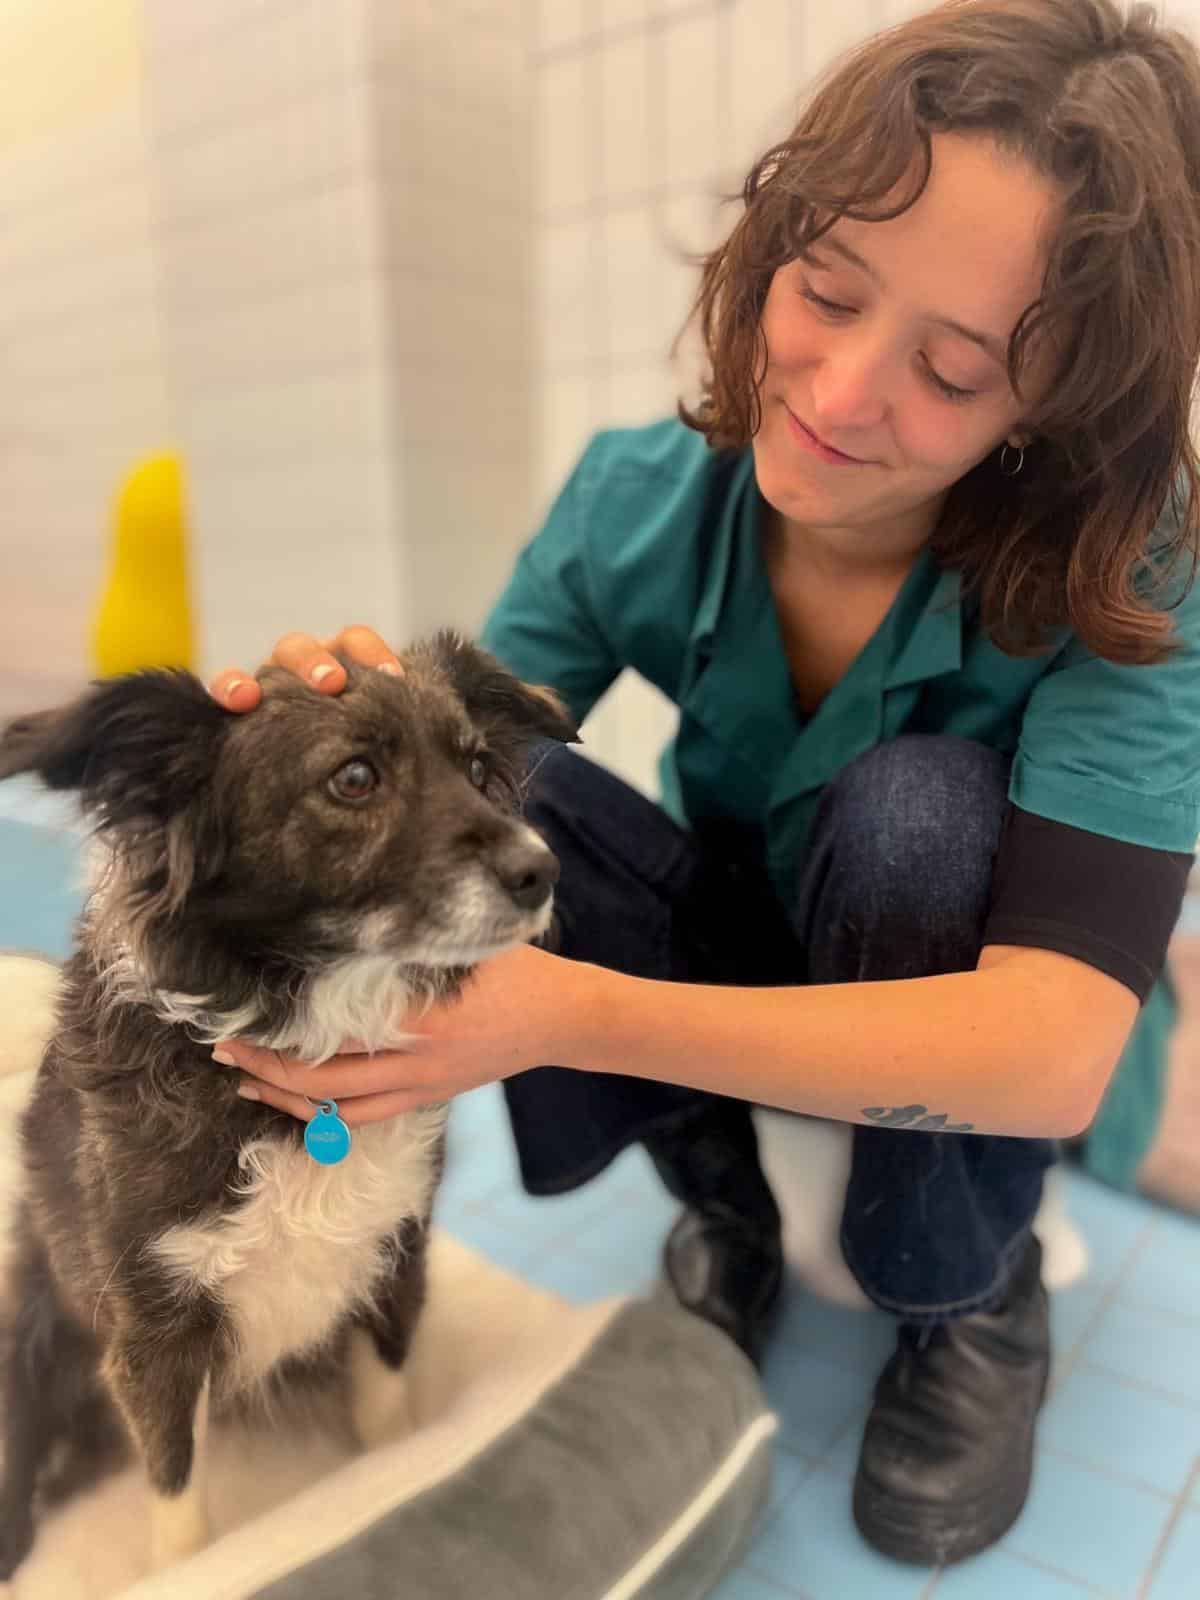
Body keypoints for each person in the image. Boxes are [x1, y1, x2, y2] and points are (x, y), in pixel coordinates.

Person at [207, 0, 1200, 1568]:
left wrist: (570, 1014)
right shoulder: (637, 502)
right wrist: (338, 736)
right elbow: (459, 770)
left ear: (1049, 415)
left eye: (951, 372)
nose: (841, 389)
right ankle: (729, 1201)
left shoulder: (1135, 577)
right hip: (752, 930)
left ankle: (959, 1292)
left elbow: (1057, 1050)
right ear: (775, 243)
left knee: (920, 813)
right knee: (513, 779)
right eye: (825, 290)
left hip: (955, 980)